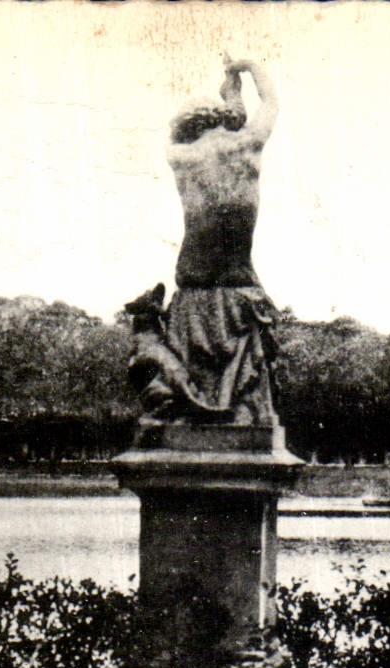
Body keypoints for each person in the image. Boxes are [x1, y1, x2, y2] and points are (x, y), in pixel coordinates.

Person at [130, 57, 284, 426]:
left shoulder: (180, 156)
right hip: (235, 277)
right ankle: (240, 410)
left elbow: (172, 136)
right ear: (226, 119)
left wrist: (228, 101)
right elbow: (271, 103)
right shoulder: (246, 144)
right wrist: (246, 71)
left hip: (192, 277)